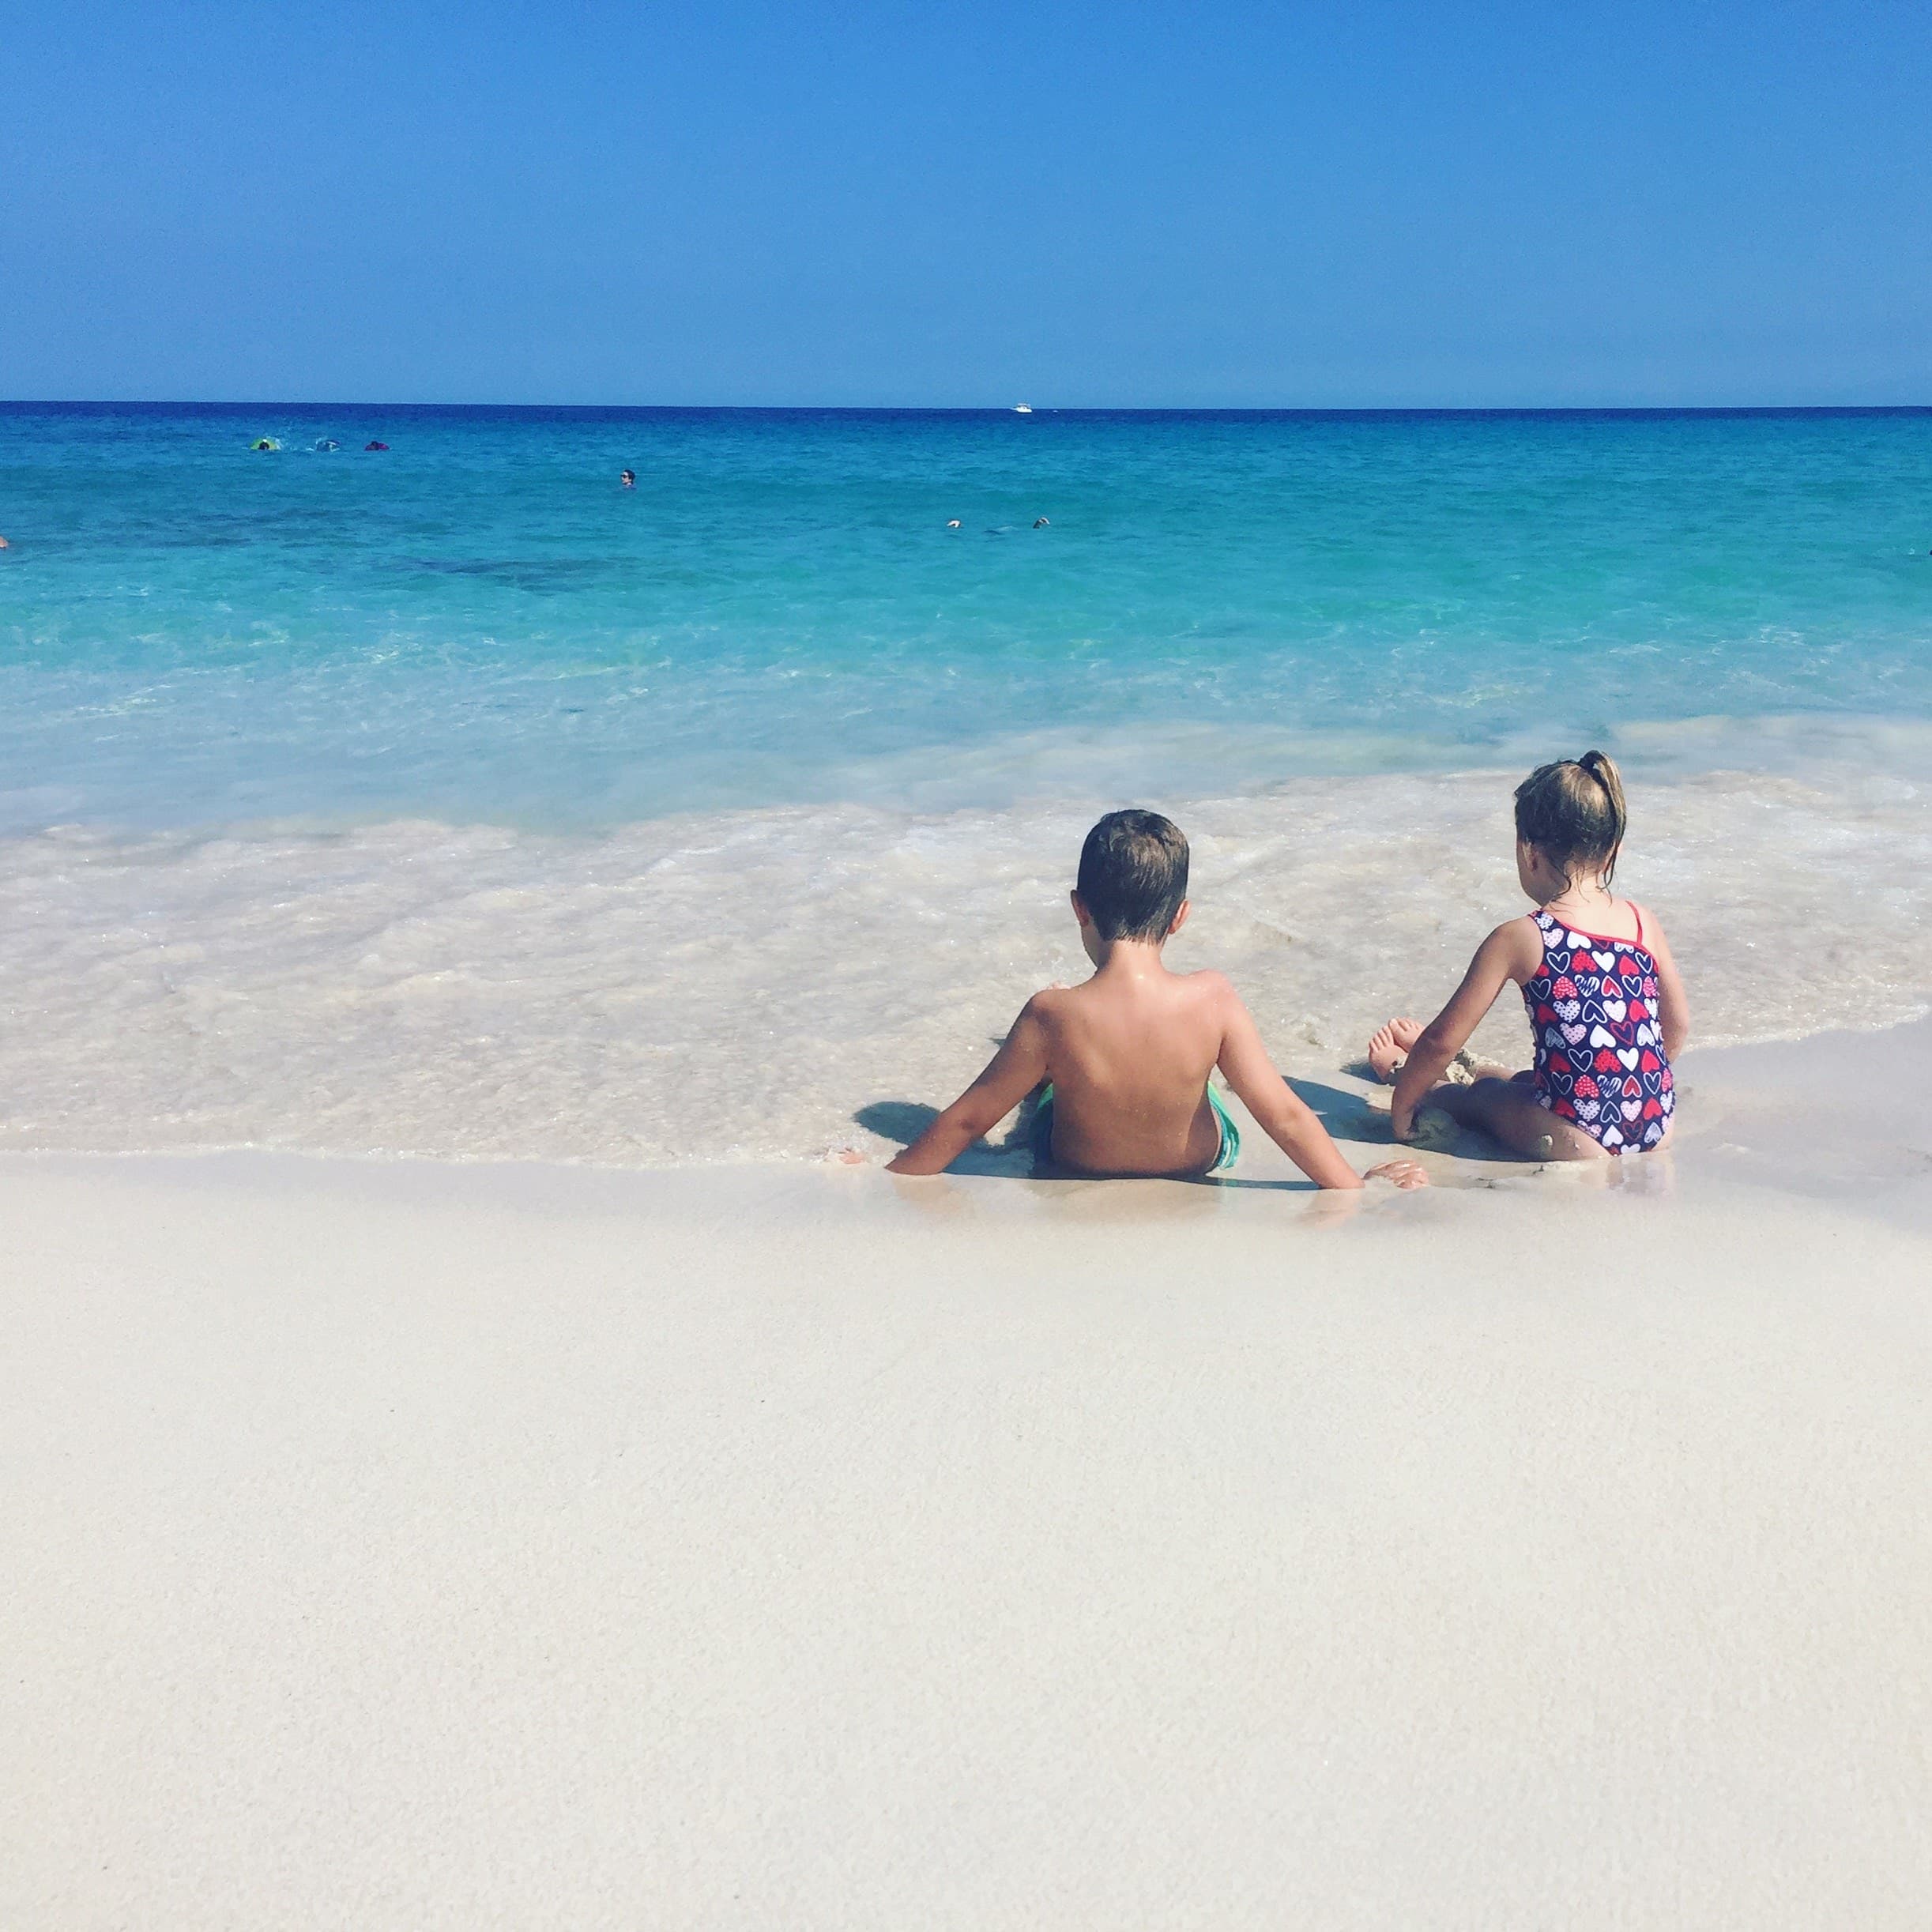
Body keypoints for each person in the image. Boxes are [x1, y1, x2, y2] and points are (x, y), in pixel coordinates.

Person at [887, 809, 1427, 1189]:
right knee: (1203, 1074)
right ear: (1180, 916)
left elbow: (966, 1121)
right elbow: (1283, 1113)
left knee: (1046, 1083)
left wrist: (890, 1175)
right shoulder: (1213, 996)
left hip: (1076, 1161)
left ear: (1080, 908)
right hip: (1195, 1158)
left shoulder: (1048, 1013)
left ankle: (1064, 1068)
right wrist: (1350, 1186)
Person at [1367, 752, 1689, 1159]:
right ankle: (1484, 1071)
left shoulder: (1521, 936)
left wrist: (1401, 1112)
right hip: (1658, 1122)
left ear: (1529, 851)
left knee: (1484, 1097)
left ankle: (1406, 1074)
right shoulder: (1642, 921)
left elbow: (1440, 1040)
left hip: (1577, 1139)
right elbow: (1676, 1025)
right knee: (1527, 1082)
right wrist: (1628, 1087)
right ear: (1611, 852)